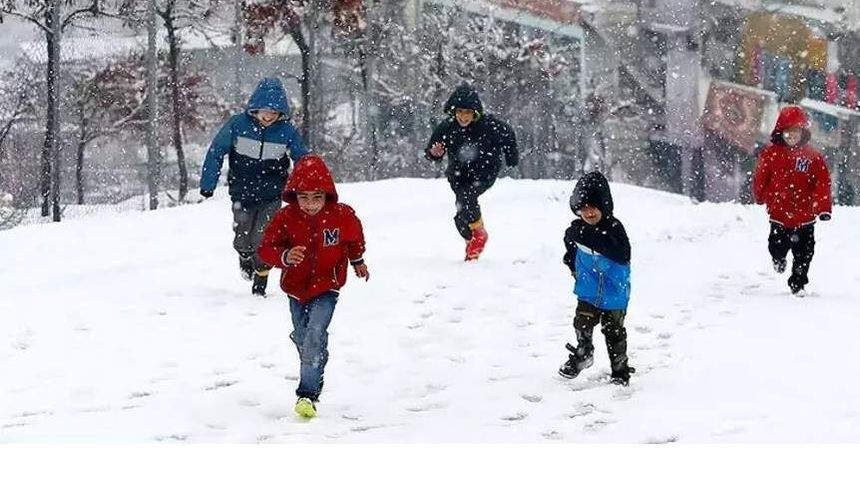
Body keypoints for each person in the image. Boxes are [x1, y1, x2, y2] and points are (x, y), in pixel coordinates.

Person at [258, 155, 369, 419]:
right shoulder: (286, 217)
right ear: (294, 196)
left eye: (317, 198)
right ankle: (315, 358)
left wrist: (358, 260)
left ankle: (306, 394)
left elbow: (354, 239)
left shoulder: (341, 215)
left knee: (314, 333)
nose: (310, 205)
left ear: (327, 195)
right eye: (304, 198)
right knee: (303, 336)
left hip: (327, 285)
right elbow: (266, 249)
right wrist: (284, 256)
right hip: (296, 288)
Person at [200, 77, 310, 296]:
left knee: (265, 236)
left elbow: (303, 158)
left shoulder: (286, 131)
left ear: (282, 113)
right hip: (242, 191)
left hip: (272, 193)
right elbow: (216, 151)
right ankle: (244, 255)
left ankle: (261, 276)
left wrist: (309, 185)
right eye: (265, 111)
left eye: (275, 112)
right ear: (255, 108)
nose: (269, 116)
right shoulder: (237, 125)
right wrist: (208, 183)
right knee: (243, 237)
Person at [425, 83, 518, 260]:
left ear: (475, 113)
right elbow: (431, 150)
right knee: (461, 216)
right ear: (453, 112)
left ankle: (479, 235)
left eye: (467, 112)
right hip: (458, 174)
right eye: (460, 112)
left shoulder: (489, 125)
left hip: (484, 172)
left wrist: (511, 157)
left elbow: (508, 134)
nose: (463, 117)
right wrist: (433, 153)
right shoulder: (447, 127)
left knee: (467, 197)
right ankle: (472, 239)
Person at [558, 172, 634, 386]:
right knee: (582, 323)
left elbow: (622, 254)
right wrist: (571, 264)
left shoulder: (614, 229)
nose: (588, 212)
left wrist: (588, 237)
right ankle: (583, 354)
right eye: (583, 208)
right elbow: (571, 247)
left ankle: (620, 370)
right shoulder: (576, 230)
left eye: (593, 207)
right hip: (588, 290)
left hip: (614, 292)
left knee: (614, 332)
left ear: (604, 206)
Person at [752, 105, 832, 297]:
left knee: (804, 253)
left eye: (795, 132)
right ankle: (778, 259)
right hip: (779, 213)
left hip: (805, 216)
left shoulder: (813, 157)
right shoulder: (771, 154)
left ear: (802, 133)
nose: (791, 136)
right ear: (781, 132)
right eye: (788, 132)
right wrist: (759, 195)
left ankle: (798, 283)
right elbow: (761, 176)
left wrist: (823, 207)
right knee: (776, 246)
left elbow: (822, 182)